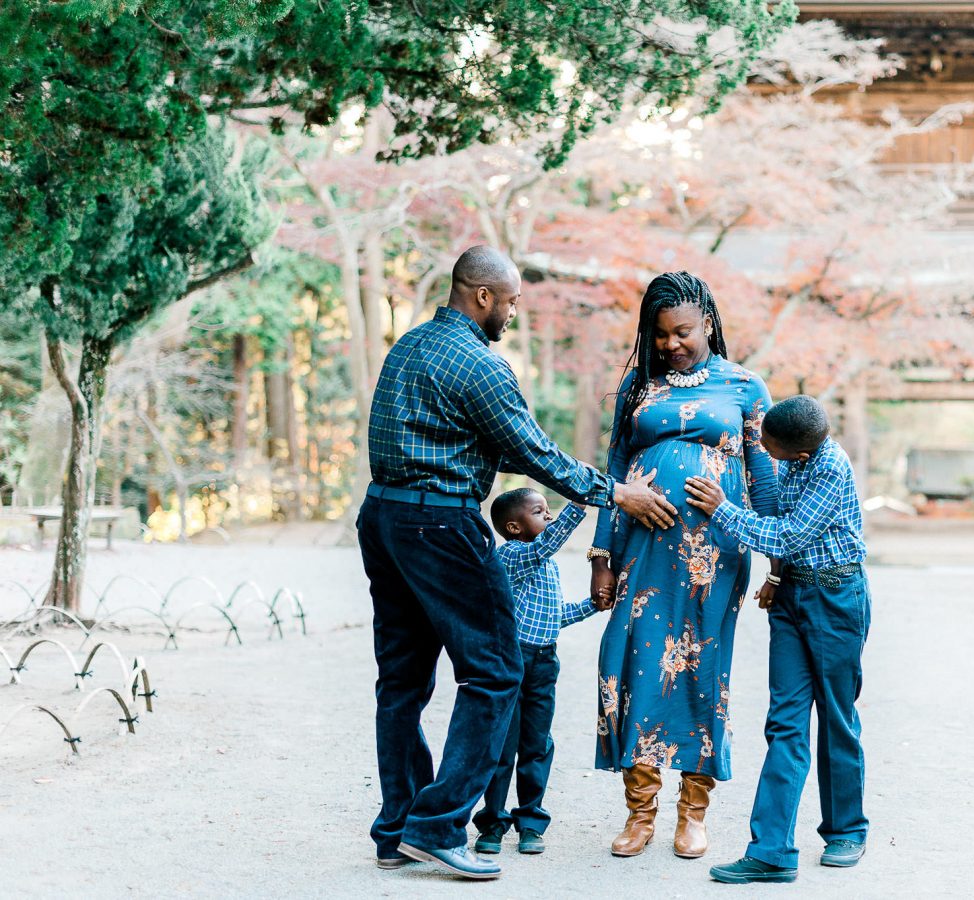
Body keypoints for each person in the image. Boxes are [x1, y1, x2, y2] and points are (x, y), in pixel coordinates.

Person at [357, 245, 677, 881]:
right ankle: (439, 825)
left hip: (382, 516)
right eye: (509, 301)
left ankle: (397, 829)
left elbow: (460, 440)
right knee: (498, 670)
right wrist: (617, 493)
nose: (512, 311)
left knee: (401, 681)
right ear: (481, 296)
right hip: (440, 524)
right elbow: (535, 453)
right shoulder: (481, 365)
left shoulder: (409, 348)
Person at [589, 272, 779, 860]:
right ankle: (639, 813)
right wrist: (602, 555)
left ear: (709, 324)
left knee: (702, 669)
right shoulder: (638, 387)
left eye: (683, 332)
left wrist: (778, 562)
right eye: (660, 335)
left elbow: (764, 476)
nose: (672, 345)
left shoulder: (745, 387)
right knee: (633, 664)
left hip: (714, 555)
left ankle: (692, 813)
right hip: (643, 553)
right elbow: (616, 467)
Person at [684, 394, 871, 885]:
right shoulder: (793, 450)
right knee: (784, 721)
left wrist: (722, 510)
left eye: (769, 446)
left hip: (835, 598)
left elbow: (787, 534)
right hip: (793, 597)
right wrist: (778, 578)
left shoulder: (828, 468)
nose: (762, 450)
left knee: (836, 718)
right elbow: (786, 537)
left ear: (800, 454)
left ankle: (846, 831)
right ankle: (771, 851)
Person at [471, 488, 607, 856]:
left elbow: (554, 616)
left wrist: (593, 606)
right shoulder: (513, 555)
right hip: (512, 660)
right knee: (503, 744)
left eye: (549, 511)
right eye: (539, 511)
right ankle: (493, 823)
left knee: (537, 743)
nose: (548, 516)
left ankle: (530, 821)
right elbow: (547, 543)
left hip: (545, 661)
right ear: (514, 527)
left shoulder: (545, 564)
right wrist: (577, 505)